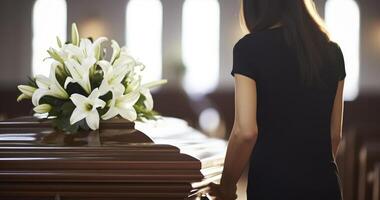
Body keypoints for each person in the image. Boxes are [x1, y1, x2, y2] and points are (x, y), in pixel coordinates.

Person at [208, 0, 346, 199]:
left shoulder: (248, 48)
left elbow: (245, 131)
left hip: (272, 184)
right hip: (324, 184)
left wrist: (227, 185)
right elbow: (334, 135)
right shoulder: (333, 52)